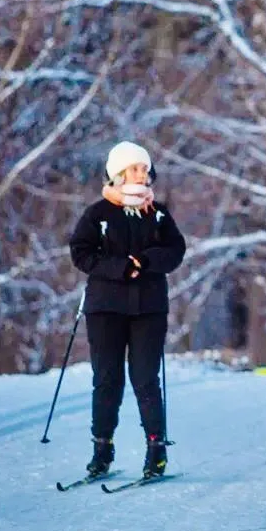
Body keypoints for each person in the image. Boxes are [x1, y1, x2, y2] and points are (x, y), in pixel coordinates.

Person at [70, 141, 187, 479]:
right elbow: (81, 253)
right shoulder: (98, 214)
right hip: (105, 307)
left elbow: (176, 250)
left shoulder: (158, 213)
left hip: (148, 307)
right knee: (107, 379)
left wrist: (147, 261)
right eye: (136, 168)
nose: (143, 174)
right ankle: (102, 450)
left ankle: (156, 451)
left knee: (145, 379)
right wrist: (120, 267)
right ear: (119, 173)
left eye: (145, 168)